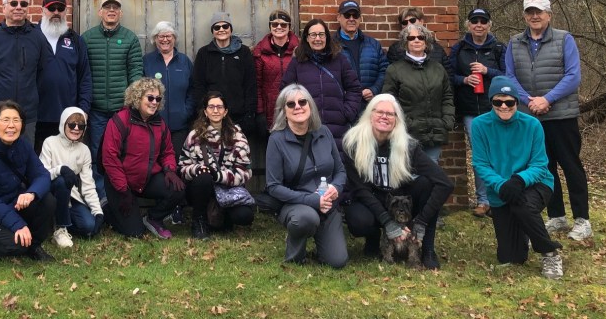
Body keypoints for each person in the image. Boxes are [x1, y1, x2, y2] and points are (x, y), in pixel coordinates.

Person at [505, 0, 591, 241]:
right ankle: (557, 216)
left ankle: (582, 219)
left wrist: (547, 99)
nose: (535, 16)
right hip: (530, 117)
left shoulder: (564, 39)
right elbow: (509, 76)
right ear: (524, 16)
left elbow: (573, 76)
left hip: (561, 115)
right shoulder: (515, 42)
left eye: (539, 12)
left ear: (549, 15)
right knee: (544, 168)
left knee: (571, 166)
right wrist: (529, 100)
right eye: (530, 12)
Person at [342, 94, 452, 270]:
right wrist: (388, 222)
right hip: (371, 200)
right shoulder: (353, 144)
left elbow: (445, 183)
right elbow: (361, 190)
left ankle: (428, 249)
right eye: (379, 112)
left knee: (428, 184)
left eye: (390, 114)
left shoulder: (408, 146)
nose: (384, 117)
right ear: (370, 115)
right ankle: (373, 238)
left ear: (397, 120)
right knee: (358, 220)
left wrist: (421, 221)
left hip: (400, 201)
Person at [471, 76, 563, 279]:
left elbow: (540, 164)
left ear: (516, 102)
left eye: (509, 102)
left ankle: (550, 252)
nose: (504, 106)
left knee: (522, 206)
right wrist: (501, 184)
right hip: (500, 189)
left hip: (536, 183)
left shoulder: (532, 124)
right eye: (498, 101)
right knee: (511, 257)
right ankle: (524, 233)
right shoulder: (479, 125)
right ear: (491, 102)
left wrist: (519, 180)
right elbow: (480, 164)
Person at [265, 84, 347, 267]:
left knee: (338, 261)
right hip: (296, 205)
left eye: (302, 102)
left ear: (310, 106)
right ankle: (295, 255)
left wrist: (336, 187)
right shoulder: (276, 140)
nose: (298, 107)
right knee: (306, 218)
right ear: (284, 111)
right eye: (291, 104)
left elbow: (340, 171)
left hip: (328, 205)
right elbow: (273, 186)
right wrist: (313, 200)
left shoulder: (324, 132)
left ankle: (322, 245)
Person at [0, 100, 55, 262]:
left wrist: (31, 193)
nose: (11, 125)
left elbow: (42, 175)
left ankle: (34, 246)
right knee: (18, 246)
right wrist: (17, 224)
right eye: (5, 120)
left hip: (14, 206)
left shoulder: (23, 145)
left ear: (22, 125)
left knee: (47, 200)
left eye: (16, 120)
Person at [101, 77, 186, 239]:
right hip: (120, 183)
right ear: (137, 97)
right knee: (135, 233)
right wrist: (123, 190)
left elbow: (167, 152)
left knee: (177, 190)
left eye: (158, 99)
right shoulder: (120, 120)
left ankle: (153, 218)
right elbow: (110, 158)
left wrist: (170, 170)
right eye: (150, 98)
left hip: (147, 179)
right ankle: (107, 208)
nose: (154, 102)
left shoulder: (160, 123)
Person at [82, 0, 144, 201]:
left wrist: (133, 102)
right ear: (100, 12)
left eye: (115, 7)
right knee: (98, 153)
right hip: (97, 109)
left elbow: (135, 71)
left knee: (124, 152)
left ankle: (123, 196)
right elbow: (82, 71)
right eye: (107, 7)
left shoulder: (129, 38)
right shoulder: (87, 38)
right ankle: (102, 198)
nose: (111, 10)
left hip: (122, 110)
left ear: (120, 13)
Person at [445, 7, 504, 216]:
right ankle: (483, 200)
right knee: (480, 153)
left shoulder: (499, 47)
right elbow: (449, 76)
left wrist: (487, 71)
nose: (479, 25)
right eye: (474, 21)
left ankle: (500, 197)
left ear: (489, 24)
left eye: (483, 21)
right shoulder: (459, 48)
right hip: (470, 110)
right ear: (468, 25)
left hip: (497, 109)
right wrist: (464, 80)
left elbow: (508, 75)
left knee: (498, 152)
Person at [0, 0, 51, 147]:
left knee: (23, 158)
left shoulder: (38, 37)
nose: (19, 7)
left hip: (26, 115)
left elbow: (43, 73)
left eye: (23, 4)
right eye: (14, 3)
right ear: (4, 8)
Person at [177, 92, 254, 239]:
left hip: (228, 190)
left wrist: (219, 176)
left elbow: (245, 171)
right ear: (205, 112)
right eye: (211, 107)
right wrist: (197, 169)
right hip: (201, 189)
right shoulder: (194, 136)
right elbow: (182, 167)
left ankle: (223, 218)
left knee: (245, 216)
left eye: (219, 107)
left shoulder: (238, 137)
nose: (215, 110)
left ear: (225, 111)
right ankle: (199, 221)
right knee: (204, 177)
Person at [281, 18, 362, 152]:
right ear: (307, 38)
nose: (317, 38)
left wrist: (347, 112)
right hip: (307, 126)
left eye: (321, 34)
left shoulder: (340, 60)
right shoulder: (297, 63)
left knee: (336, 161)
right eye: (313, 35)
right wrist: (297, 114)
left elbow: (354, 88)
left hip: (338, 127)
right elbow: (285, 92)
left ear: (327, 37)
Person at [381, 24, 453, 164]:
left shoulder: (438, 68)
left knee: (431, 172)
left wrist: (447, 121)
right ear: (405, 42)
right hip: (407, 134)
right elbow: (389, 101)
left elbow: (447, 96)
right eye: (411, 38)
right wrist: (407, 124)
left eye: (421, 37)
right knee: (409, 172)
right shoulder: (395, 69)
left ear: (426, 42)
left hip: (435, 132)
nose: (416, 40)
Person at [39, 107, 103, 248]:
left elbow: (88, 184)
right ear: (63, 124)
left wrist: (97, 211)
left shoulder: (84, 150)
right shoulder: (50, 142)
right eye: (72, 124)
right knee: (62, 180)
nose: (76, 129)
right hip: (51, 192)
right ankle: (60, 228)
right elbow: (41, 175)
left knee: (89, 226)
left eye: (81, 126)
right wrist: (60, 170)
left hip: (71, 197)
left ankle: (59, 220)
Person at [36, 0, 92, 148]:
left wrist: (84, 109)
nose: (56, 12)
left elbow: (85, 78)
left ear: (65, 11)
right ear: (42, 10)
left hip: (68, 117)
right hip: (36, 117)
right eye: (51, 8)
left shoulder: (75, 40)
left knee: (66, 160)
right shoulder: (31, 36)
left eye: (60, 9)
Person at [192, 12, 256, 137]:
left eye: (225, 26)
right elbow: (198, 85)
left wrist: (250, 113)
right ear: (213, 31)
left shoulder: (244, 52)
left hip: (238, 116)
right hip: (212, 115)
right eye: (217, 27)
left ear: (230, 29)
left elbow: (250, 84)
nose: (221, 30)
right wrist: (202, 111)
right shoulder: (204, 53)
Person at [142, 20, 194, 162]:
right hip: (153, 124)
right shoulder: (147, 61)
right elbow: (140, 91)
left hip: (180, 126)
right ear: (155, 39)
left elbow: (193, 90)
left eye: (168, 36)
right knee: (155, 162)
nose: (165, 39)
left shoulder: (184, 61)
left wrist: (186, 112)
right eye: (161, 36)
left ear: (174, 38)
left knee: (178, 162)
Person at [252, 10, 299, 134]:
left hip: (295, 106)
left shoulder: (299, 50)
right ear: (270, 26)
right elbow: (257, 85)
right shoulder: (260, 52)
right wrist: (259, 112)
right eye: (274, 24)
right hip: (270, 110)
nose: (279, 27)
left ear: (289, 27)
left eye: (283, 24)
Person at [333, 0, 387, 105]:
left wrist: (374, 89)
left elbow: (384, 70)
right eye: (347, 15)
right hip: (342, 105)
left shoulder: (374, 45)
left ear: (360, 18)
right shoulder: (330, 46)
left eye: (355, 15)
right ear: (338, 17)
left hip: (369, 105)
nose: (351, 19)